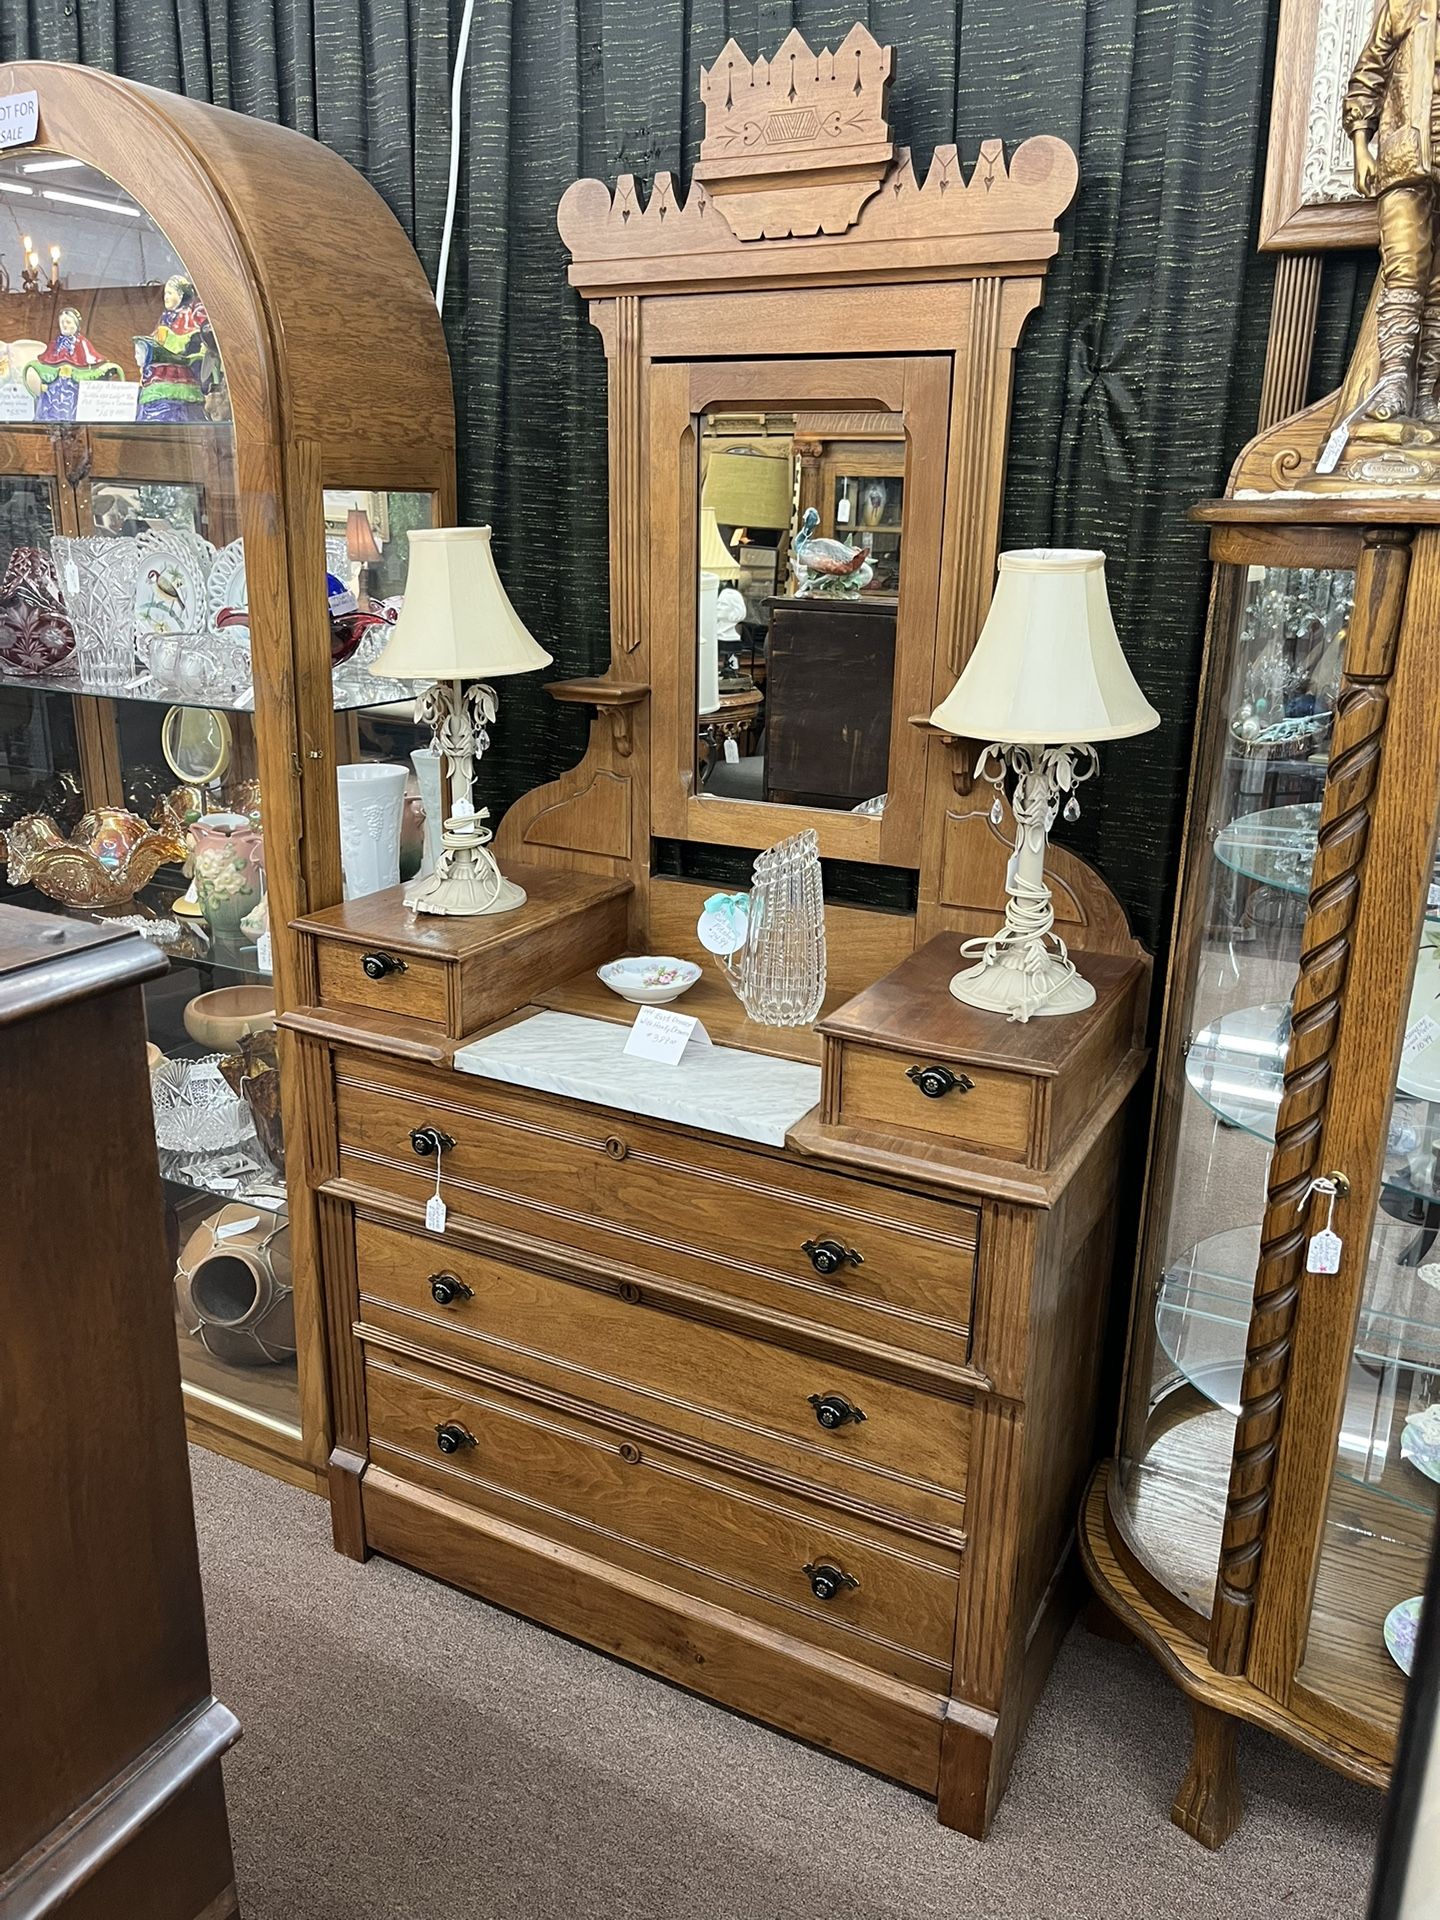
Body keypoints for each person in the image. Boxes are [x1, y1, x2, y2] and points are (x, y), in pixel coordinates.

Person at [1343, 0, 1440, 421]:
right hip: (1405, 159)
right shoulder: (1403, 6)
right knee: (1405, 267)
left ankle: (1426, 394)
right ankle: (1393, 385)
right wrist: (1361, 147)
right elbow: (1368, 75)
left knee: (1438, 284)